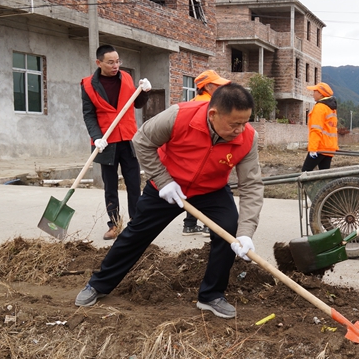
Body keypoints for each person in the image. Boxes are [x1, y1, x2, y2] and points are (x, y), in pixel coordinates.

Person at [74, 83, 264, 319]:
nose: (240, 129)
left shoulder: (247, 138)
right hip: (168, 185)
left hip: (211, 189)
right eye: (234, 123)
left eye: (245, 122)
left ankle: (211, 295)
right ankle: (98, 284)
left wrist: (245, 232)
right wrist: (163, 181)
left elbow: (251, 185)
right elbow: (141, 140)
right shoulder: (179, 116)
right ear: (213, 114)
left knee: (229, 230)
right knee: (136, 234)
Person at [82, 44, 151, 240]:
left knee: (133, 183)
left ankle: (136, 224)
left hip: (128, 139)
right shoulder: (88, 85)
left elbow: (137, 103)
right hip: (105, 141)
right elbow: (88, 115)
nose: (115, 65)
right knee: (110, 186)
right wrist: (96, 137)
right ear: (99, 63)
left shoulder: (127, 78)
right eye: (110, 62)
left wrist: (144, 91)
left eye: (118, 61)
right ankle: (114, 224)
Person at [181, 69, 231, 236]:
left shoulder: (192, 102)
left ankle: (189, 225)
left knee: (192, 188)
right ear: (208, 86)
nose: (221, 88)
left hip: (190, 154)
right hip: (207, 153)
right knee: (210, 188)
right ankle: (210, 225)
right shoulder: (211, 106)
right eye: (217, 85)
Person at [301, 82, 338, 172]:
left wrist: (313, 149)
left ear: (321, 94)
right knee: (324, 174)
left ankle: (305, 187)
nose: (313, 94)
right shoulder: (331, 108)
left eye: (315, 91)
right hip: (329, 148)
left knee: (305, 172)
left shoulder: (320, 108)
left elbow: (316, 129)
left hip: (320, 147)